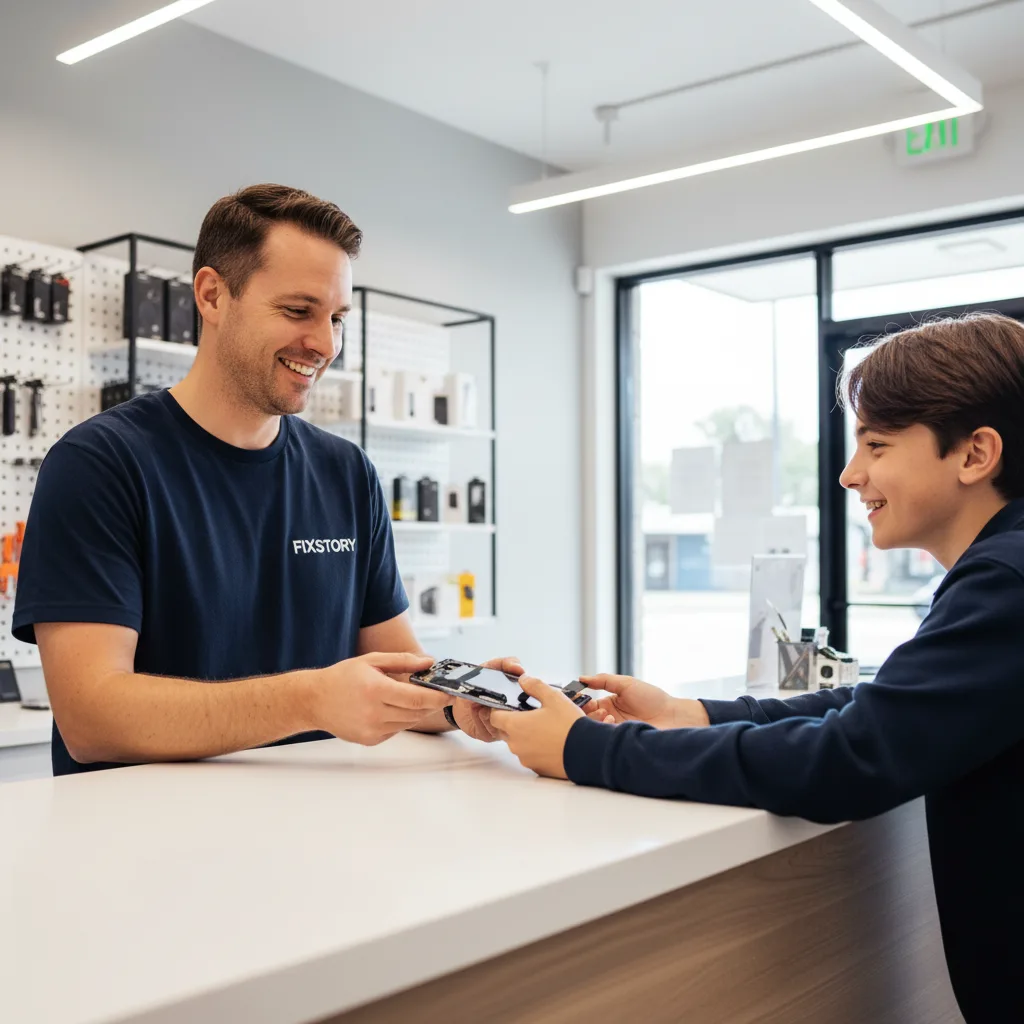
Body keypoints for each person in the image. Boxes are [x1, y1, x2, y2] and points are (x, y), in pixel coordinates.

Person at [487, 312, 1024, 1023]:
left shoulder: (1007, 580)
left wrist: (586, 749)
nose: (848, 473)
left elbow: (851, 757)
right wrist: (691, 714)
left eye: (877, 444)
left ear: (975, 453)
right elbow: (889, 710)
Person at [12, 183, 513, 775]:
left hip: (311, 838)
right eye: (298, 311)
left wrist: (467, 703)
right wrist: (311, 699)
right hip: (143, 852)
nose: (325, 344)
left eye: (337, 319)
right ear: (212, 295)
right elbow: (92, 719)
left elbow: (398, 668)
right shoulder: (100, 464)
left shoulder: (347, 474)